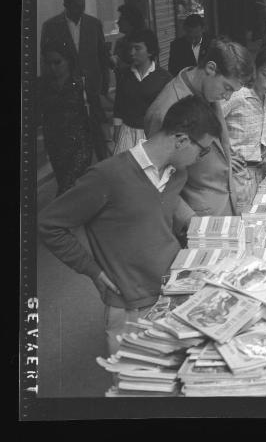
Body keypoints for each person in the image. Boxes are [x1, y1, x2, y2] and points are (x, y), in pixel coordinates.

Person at [38, 96, 222, 354]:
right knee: (133, 385)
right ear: (181, 140)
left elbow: (154, 213)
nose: (202, 158)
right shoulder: (107, 176)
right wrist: (92, 269)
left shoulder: (178, 174)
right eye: (203, 150)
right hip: (129, 303)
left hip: (171, 289)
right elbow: (49, 224)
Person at [144, 37, 254, 216]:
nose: (227, 97)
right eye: (227, 88)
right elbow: (160, 180)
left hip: (225, 209)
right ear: (210, 68)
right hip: (198, 222)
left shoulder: (206, 91)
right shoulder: (164, 109)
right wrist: (191, 221)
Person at [40, 0, 110, 160]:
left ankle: (103, 165)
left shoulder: (94, 24)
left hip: (92, 87)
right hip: (67, 87)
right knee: (73, 132)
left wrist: (104, 88)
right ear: (66, 5)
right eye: (75, 6)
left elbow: (103, 57)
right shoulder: (51, 26)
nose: (80, 10)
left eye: (82, 6)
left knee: (98, 130)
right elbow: (46, 60)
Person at [221, 46, 266, 214]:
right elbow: (208, 123)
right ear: (255, 69)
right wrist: (226, 154)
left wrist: (265, 145)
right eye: (265, 75)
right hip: (237, 173)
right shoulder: (238, 94)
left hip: (257, 169)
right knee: (242, 219)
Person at [37, 40, 97, 196]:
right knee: (66, 184)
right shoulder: (43, 86)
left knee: (67, 187)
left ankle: (59, 217)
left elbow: (97, 111)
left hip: (79, 145)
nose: (53, 68)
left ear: (68, 61)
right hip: (55, 145)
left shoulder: (81, 83)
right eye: (48, 63)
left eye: (57, 62)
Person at [112, 29, 172, 154]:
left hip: (152, 136)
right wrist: (117, 135)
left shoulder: (164, 78)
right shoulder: (124, 76)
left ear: (150, 51)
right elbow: (118, 108)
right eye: (131, 48)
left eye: (137, 48)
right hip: (127, 134)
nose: (132, 53)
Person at [112, 4, 146, 72]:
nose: (118, 22)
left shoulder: (143, 42)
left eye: (121, 19)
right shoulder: (120, 42)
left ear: (131, 21)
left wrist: (119, 63)